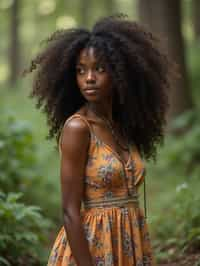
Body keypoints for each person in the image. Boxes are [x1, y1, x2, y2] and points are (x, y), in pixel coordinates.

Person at [25, 14, 172, 266]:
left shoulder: (121, 126)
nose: (89, 78)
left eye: (99, 68)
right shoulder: (77, 128)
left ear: (121, 73)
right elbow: (70, 211)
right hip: (92, 249)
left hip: (131, 243)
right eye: (81, 70)